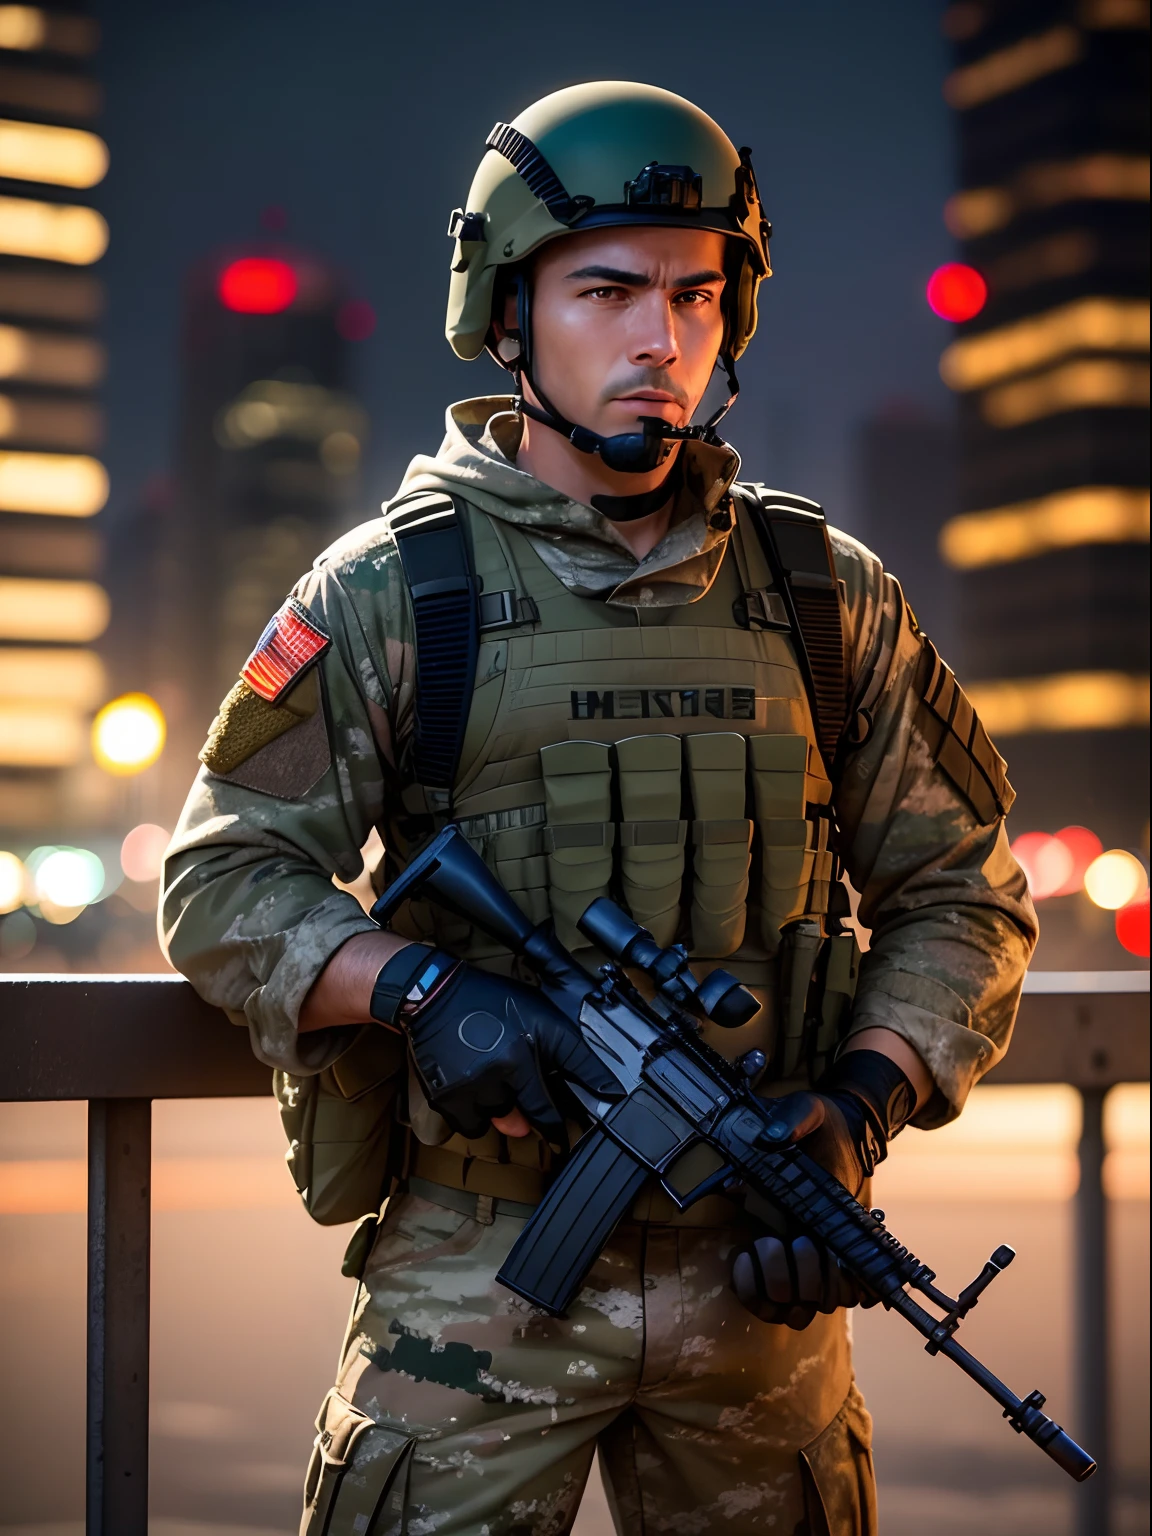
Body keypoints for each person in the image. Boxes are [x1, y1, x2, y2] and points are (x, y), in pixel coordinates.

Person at [161, 81, 1036, 1536]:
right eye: (609, 289)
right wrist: (421, 992)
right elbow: (225, 879)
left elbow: (966, 891)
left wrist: (863, 1101)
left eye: (698, 297)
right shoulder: (395, 591)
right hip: (474, 1276)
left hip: (761, 1283)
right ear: (510, 316)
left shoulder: (826, 598)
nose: (660, 339)